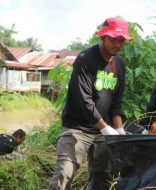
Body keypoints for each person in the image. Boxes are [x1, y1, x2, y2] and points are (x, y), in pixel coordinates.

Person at [48, 17, 132, 190]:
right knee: (65, 171)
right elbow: (84, 99)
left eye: (121, 40)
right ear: (102, 37)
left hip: (104, 131)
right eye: (113, 39)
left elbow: (117, 102)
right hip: (77, 127)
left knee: (103, 176)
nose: (117, 44)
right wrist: (105, 128)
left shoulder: (120, 65)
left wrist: (119, 131)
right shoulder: (86, 59)